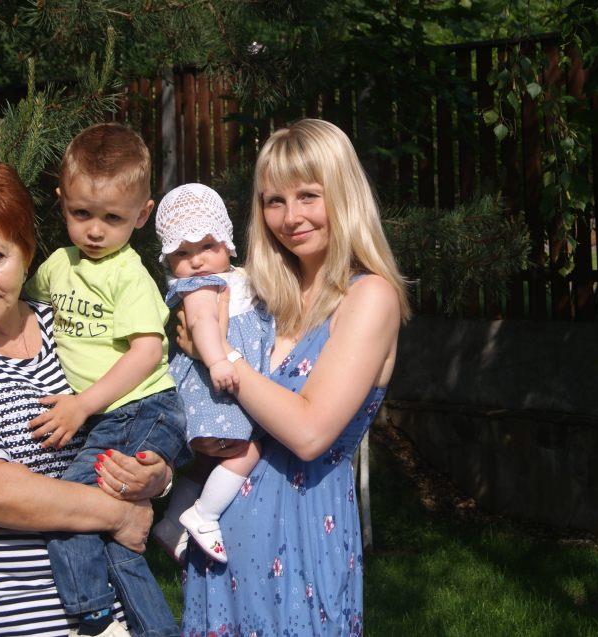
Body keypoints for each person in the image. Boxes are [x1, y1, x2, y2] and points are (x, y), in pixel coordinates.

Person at [181, 118, 411, 636]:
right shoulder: (257, 298)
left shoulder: (368, 297)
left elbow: (309, 433)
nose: (290, 218)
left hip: (302, 547)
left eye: (308, 196)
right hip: (221, 548)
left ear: (343, 194)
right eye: (274, 201)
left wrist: (219, 355)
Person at [0, 155, 171, 637]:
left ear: (26, 250)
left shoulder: (68, 323)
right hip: (5, 622)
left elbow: (139, 408)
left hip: (114, 616)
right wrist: (120, 514)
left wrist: (155, 475)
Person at [24, 123, 186, 637]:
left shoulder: (127, 274)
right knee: (117, 538)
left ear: (141, 215)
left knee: (70, 507)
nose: (95, 231)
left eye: (112, 218)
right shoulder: (58, 265)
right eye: (81, 213)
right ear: (61, 202)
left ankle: (91, 616)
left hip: (140, 409)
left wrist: (82, 405)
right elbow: (24, 311)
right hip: (112, 415)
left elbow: (148, 351)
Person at [150, 183, 274, 564]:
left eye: (206, 246)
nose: (197, 260)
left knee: (205, 463)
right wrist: (218, 360)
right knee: (246, 450)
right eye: (182, 253)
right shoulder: (202, 286)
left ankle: (171, 524)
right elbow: (202, 324)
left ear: (226, 241)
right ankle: (205, 515)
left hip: (220, 391)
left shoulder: (233, 277)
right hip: (214, 390)